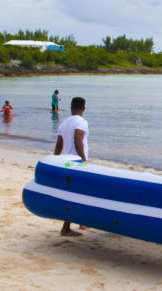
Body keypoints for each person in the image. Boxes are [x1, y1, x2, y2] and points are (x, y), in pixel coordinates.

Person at [54, 97, 89, 237]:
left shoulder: (64, 123)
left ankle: (80, 222)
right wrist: (83, 160)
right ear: (84, 108)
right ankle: (66, 228)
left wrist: (55, 161)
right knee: (78, 193)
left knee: (73, 193)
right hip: (77, 162)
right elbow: (77, 138)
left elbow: (58, 145)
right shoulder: (82, 122)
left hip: (66, 162)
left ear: (71, 107)